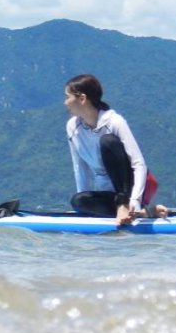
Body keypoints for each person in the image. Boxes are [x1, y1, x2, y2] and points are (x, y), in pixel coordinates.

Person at [63, 73, 152, 226]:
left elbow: (139, 164)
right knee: (77, 200)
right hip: (108, 195)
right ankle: (143, 212)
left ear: (82, 98)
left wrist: (135, 200)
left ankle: (126, 207)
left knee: (108, 141)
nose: (65, 103)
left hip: (129, 189)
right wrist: (83, 208)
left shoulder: (114, 122)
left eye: (68, 97)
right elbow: (80, 168)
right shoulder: (72, 127)